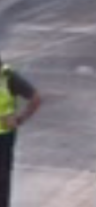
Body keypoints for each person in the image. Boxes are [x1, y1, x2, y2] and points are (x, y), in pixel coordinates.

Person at [0, 55, 43, 207]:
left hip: (3, 137)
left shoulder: (8, 77)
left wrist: (20, 119)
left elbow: (36, 98)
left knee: (2, 181)